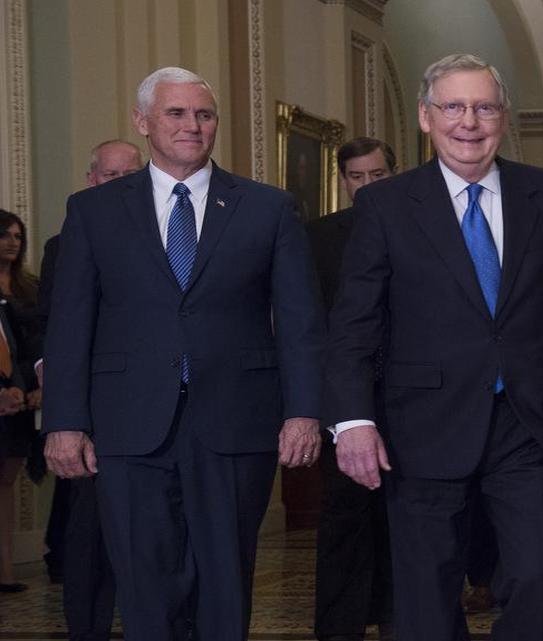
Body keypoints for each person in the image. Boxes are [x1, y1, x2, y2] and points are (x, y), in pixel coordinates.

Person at [42, 67, 324, 640]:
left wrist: (303, 411)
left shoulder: (267, 208)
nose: (192, 126)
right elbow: (71, 324)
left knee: (225, 579)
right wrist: (64, 422)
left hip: (235, 421)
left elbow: (300, 323)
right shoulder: (92, 212)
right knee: (144, 581)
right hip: (126, 423)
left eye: (204, 114)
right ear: (143, 122)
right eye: (176, 113)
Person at [323, 53, 543, 641]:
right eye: (454, 106)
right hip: (421, 424)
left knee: (540, 576)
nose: (469, 121)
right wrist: (352, 420)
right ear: (425, 116)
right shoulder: (386, 205)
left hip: (528, 420)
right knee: (426, 591)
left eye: (484, 106)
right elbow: (354, 325)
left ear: (503, 117)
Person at [38, 139, 143, 639]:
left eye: (130, 174)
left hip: (167, 406)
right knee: (91, 532)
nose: (121, 184)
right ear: (91, 180)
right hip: (99, 412)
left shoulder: (175, 230)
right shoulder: (67, 242)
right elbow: (59, 324)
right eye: (110, 176)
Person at [308, 136, 396, 641]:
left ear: (394, 173)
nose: (365, 187)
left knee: (404, 518)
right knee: (344, 518)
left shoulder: (419, 222)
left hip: (412, 398)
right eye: (356, 177)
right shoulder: (316, 237)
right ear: (342, 181)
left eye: (376, 176)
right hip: (343, 402)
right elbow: (311, 325)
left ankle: (399, 619)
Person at [0, 209, 39, 594]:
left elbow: (35, 344)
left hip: (22, 397)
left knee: (7, 481)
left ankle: (6, 569)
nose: (12, 241)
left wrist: (29, 385)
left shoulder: (29, 287)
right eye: (4, 235)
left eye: (17, 235)